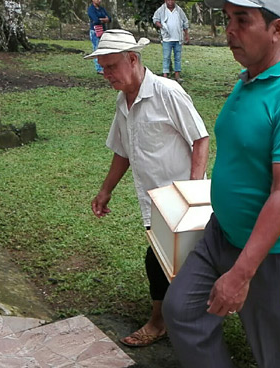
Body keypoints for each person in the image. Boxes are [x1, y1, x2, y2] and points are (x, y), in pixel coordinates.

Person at [162, 0, 280, 368]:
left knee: (277, 356)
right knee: (182, 310)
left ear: (277, 29)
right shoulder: (247, 80)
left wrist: (240, 274)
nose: (229, 32)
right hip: (224, 233)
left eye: (242, 20)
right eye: (228, 19)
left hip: (276, 251)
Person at [83, 29, 209, 347]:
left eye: (110, 66)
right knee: (169, 260)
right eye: (102, 67)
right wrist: (105, 190)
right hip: (153, 200)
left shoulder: (168, 92)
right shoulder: (122, 101)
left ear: (133, 59)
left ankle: (160, 322)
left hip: (181, 199)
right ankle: (181, 315)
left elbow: (200, 138)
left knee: (161, 260)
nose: (105, 74)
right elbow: (123, 149)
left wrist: (194, 191)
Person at [152, 0, 190, 83]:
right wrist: (161, 26)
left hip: (178, 38)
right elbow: (155, 19)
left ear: (174, 0)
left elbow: (185, 22)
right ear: (165, 0)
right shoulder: (161, 10)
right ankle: (165, 75)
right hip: (167, 38)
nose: (170, 2)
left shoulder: (179, 10)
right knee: (166, 57)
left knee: (177, 57)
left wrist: (186, 35)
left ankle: (177, 75)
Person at [87, 0, 111, 74]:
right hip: (95, 31)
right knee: (97, 49)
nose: (99, 0)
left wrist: (102, 19)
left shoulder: (101, 9)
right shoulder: (91, 9)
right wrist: (104, 19)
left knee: (104, 49)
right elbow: (95, 20)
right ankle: (99, 68)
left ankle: (105, 67)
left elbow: (109, 18)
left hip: (103, 31)